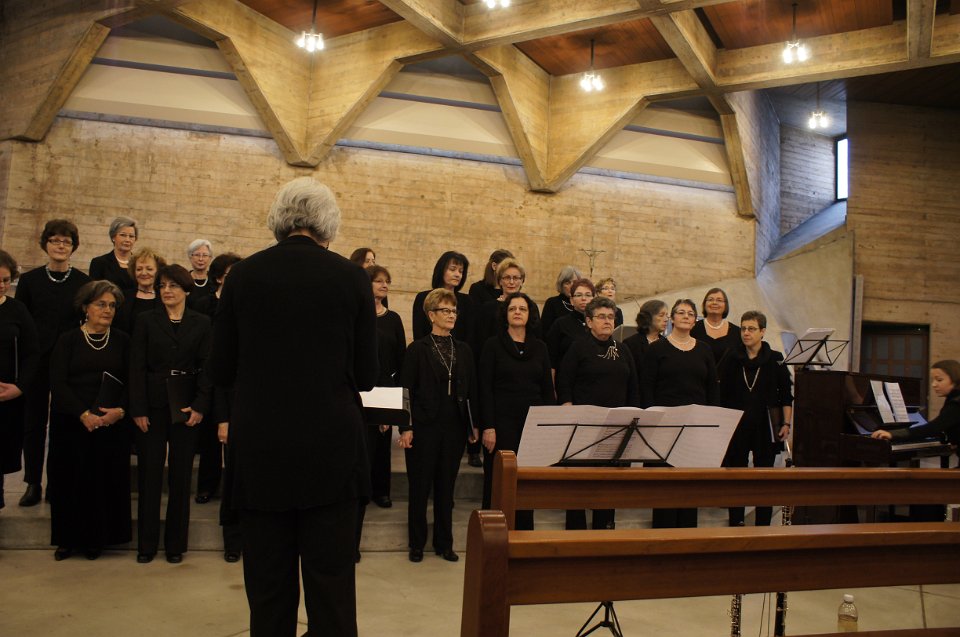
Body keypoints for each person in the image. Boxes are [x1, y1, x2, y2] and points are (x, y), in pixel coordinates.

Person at [210, 177, 378, 637]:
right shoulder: (351, 277)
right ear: (328, 222)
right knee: (332, 585)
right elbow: (367, 375)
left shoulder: (243, 275)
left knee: (268, 587)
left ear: (279, 219)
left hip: (261, 446)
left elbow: (220, 368)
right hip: (331, 448)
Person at [129, 264, 212, 564]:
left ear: (186, 290)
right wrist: (138, 408)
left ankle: (175, 544)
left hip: (186, 405)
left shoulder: (202, 323)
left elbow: (207, 368)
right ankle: (147, 544)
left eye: (173, 285)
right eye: (162, 285)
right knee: (150, 474)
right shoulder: (146, 320)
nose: (166, 291)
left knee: (180, 476)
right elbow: (136, 366)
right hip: (152, 405)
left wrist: (200, 405)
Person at [47, 281, 132, 560]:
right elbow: (58, 382)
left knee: (102, 482)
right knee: (69, 481)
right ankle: (67, 540)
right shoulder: (68, 340)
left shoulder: (123, 340)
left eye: (112, 305)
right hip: (72, 422)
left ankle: (98, 539)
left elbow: (132, 380)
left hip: (110, 423)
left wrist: (120, 411)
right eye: (101, 304)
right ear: (85, 307)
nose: (108, 310)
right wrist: (83, 414)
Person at [400, 288, 479, 564]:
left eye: (454, 310)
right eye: (445, 310)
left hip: (454, 426)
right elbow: (406, 391)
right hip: (423, 426)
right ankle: (416, 543)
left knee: (446, 488)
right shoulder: (417, 349)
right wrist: (406, 427)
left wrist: (473, 425)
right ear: (431, 315)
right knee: (420, 487)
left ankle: (444, 543)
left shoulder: (464, 349)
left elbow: (472, 391)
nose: (451, 315)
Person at [15, 219, 91, 507]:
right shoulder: (30, 281)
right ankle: (33, 483)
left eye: (66, 242)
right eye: (55, 240)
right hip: (35, 361)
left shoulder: (83, 282)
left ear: (73, 247)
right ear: (45, 244)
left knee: (64, 422)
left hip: (68, 362)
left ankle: (58, 482)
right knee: (33, 422)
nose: (60, 246)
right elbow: (21, 322)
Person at [557, 296, 640, 530]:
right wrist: (567, 407)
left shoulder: (623, 349)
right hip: (584, 426)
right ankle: (575, 535)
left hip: (616, 427)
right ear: (589, 321)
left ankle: (604, 533)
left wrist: (634, 419)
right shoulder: (578, 347)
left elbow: (634, 387)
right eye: (601, 317)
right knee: (580, 486)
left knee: (608, 487)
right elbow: (564, 380)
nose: (607, 321)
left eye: (611, 317)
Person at [641, 298, 719, 528]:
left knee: (689, 487)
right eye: (681, 312)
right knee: (665, 488)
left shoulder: (704, 349)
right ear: (672, 318)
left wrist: (712, 422)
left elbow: (712, 389)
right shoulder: (657, 349)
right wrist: (651, 420)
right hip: (663, 427)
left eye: (690, 313)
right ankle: (663, 538)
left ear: (695, 321)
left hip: (695, 428)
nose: (686, 316)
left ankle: (687, 538)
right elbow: (647, 387)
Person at [478, 292, 554, 527]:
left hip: (532, 425)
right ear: (506, 315)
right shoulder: (492, 345)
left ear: (530, 315)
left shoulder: (540, 347)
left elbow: (547, 390)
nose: (518, 312)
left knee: (526, 481)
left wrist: (548, 428)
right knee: (498, 479)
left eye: (522, 308)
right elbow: (484, 389)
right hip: (501, 424)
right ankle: (492, 533)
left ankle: (523, 534)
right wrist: (488, 426)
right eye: (512, 309)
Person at [718, 311, 792, 527]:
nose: (746, 333)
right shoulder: (732, 357)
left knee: (764, 480)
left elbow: (786, 394)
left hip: (765, 426)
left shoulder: (775, 359)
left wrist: (786, 423)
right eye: (743, 328)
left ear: (762, 332)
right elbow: (721, 390)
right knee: (736, 478)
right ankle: (736, 523)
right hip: (737, 425)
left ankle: (763, 526)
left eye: (751, 329)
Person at [355, 264, 405, 562]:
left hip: (385, 386)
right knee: (362, 443)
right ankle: (361, 491)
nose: (384, 285)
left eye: (387, 281)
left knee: (382, 441)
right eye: (379, 281)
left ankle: (381, 491)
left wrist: (395, 401)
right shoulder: (359, 316)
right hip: (361, 388)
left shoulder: (393, 319)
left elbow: (400, 358)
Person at [411, 251, 479, 466]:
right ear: (441, 269)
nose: (457, 274)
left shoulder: (467, 301)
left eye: (461, 271)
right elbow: (419, 332)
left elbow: (470, 335)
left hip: (458, 366)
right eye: (452, 269)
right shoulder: (423, 297)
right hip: (429, 367)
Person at [193, 252, 242, 507]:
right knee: (209, 437)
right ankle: (207, 485)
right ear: (219, 277)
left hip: (232, 374)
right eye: (229, 274)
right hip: (207, 371)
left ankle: (233, 490)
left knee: (232, 433)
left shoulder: (243, 306)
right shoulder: (204, 303)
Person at [0, 250, 40, 511]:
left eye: (6, 280)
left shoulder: (17, 310)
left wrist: (20, 386)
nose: (2, 285)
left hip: (6, 396)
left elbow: (32, 352)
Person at [475, 257, 542, 347]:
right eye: (507, 278)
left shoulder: (531, 306)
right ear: (500, 281)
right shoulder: (488, 308)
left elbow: (537, 336)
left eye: (516, 278)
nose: (511, 282)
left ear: (522, 281)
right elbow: (481, 340)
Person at [546, 278, 594, 372]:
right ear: (571, 300)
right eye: (579, 295)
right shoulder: (560, 324)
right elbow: (551, 359)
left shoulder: (598, 323)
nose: (583, 298)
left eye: (588, 295)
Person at [115, 247, 166, 334]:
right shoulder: (123, 297)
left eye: (149, 269)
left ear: (158, 271)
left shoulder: (164, 298)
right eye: (139, 269)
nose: (143, 273)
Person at [623, 299, 668, 388]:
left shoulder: (667, 344)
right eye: (661, 315)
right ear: (648, 318)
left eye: (667, 315)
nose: (666, 319)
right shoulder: (631, 344)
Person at [690, 287, 740, 369]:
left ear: (725, 305)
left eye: (719, 300)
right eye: (710, 299)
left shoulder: (737, 332)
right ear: (704, 304)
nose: (714, 302)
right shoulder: (692, 328)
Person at [88, 217, 138, 289]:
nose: (127, 240)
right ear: (113, 237)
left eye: (131, 236)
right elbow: (94, 291)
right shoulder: (99, 263)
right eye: (123, 235)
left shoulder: (139, 263)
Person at [540, 265, 582, 336]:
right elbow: (544, 332)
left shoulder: (582, 303)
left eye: (575, 282)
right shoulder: (552, 303)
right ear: (561, 285)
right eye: (567, 283)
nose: (572, 286)